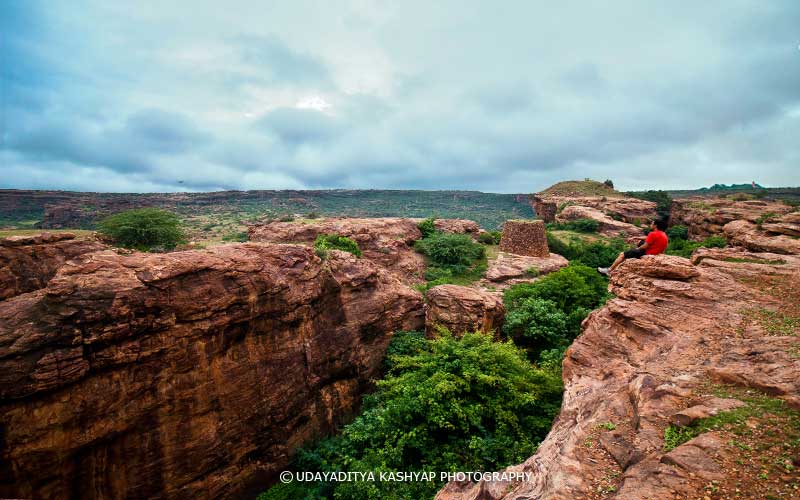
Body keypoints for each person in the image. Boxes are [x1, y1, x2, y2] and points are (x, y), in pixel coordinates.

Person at [598, 219, 669, 275]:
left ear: (655, 225)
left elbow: (645, 246)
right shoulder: (663, 234)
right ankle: (631, 255)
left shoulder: (653, 233)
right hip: (656, 253)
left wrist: (638, 249)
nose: (651, 224)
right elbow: (647, 238)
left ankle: (609, 270)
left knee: (622, 254)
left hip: (648, 253)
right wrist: (636, 237)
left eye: (652, 223)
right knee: (640, 241)